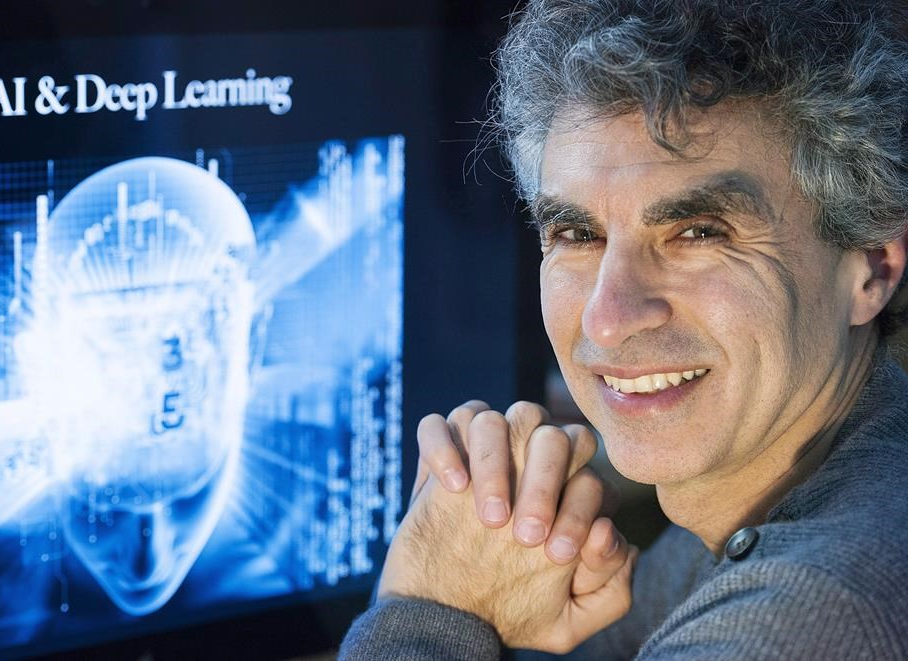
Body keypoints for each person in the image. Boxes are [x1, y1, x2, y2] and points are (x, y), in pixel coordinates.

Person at [340, 0, 908, 658]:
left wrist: (430, 604)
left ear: (872, 266)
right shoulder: (788, 491)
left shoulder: (814, 611)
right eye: (576, 233)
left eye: (699, 232)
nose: (607, 321)